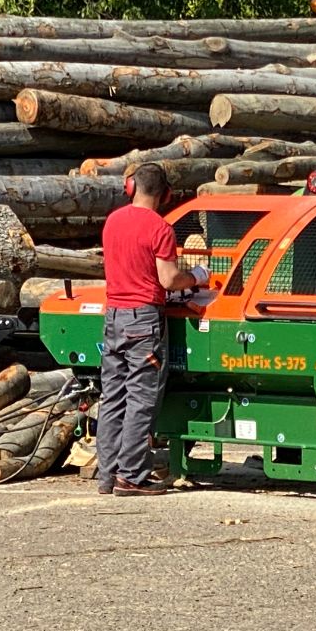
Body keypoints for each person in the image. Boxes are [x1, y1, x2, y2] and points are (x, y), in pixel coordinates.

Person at [97, 163, 207, 497]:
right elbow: (169, 279)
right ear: (166, 194)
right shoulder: (160, 228)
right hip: (143, 321)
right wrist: (198, 276)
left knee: (113, 396)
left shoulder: (113, 221)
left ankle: (107, 475)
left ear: (130, 188)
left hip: (113, 317)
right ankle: (131, 476)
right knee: (141, 398)